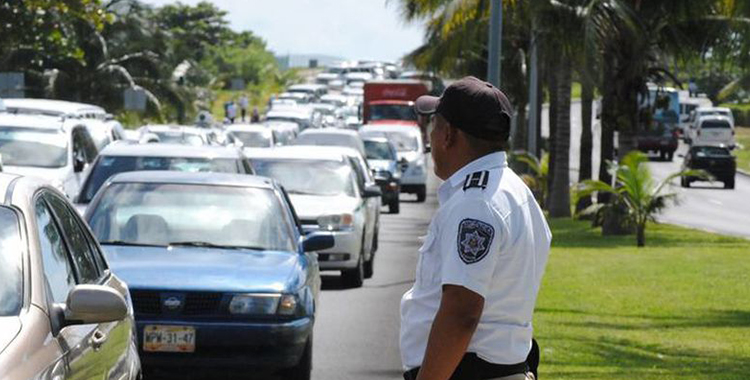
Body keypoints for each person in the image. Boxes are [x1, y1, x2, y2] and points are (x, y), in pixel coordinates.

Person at [400, 76, 552, 380]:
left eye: (434, 125)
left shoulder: (475, 203)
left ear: (449, 135)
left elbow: (461, 311)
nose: (430, 136)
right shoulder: (514, 191)